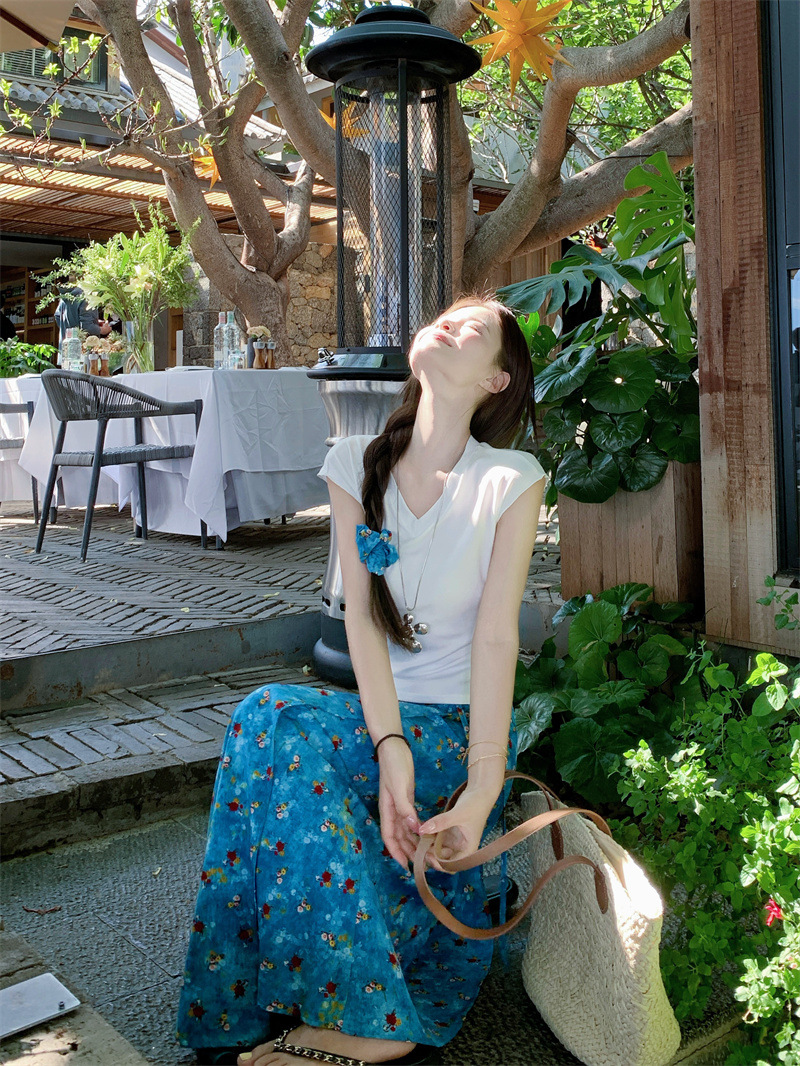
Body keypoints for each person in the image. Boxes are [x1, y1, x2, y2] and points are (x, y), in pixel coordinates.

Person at [175, 294, 546, 1066]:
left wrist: (482, 789)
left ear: (497, 379)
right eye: (448, 315)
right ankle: (243, 1009)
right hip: (383, 722)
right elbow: (365, 629)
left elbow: (495, 638)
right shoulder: (354, 463)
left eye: (475, 327)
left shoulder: (509, 478)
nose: (450, 322)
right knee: (266, 720)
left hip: (457, 731)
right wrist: (389, 747)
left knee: (276, 716)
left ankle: (366, 1021)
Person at [53, 278, 111, 345]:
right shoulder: (86, 297)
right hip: (82, 347)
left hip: (65, 346)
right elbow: (86, 327)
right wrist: (103, 330)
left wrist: (94, 321)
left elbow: (58, 316)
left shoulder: (66, 296)